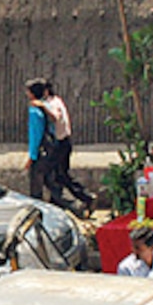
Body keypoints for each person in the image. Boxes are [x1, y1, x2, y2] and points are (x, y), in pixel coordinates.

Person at [40, 80, 96, 216]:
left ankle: (83, 199)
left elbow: (56, 117)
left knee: (53, 176)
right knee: (60, 176)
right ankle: (62, 204)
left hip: (59, 145)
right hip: (64, 143)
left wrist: (42, 106)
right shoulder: (56, 100)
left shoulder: (51, 103)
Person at [23, 80, 55, 201]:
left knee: (36, 186)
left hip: (40, 151)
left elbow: (35, 134)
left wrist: (32, 156)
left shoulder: (34, 111)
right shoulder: (46, 106)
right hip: (50, 148)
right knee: (51, 182)